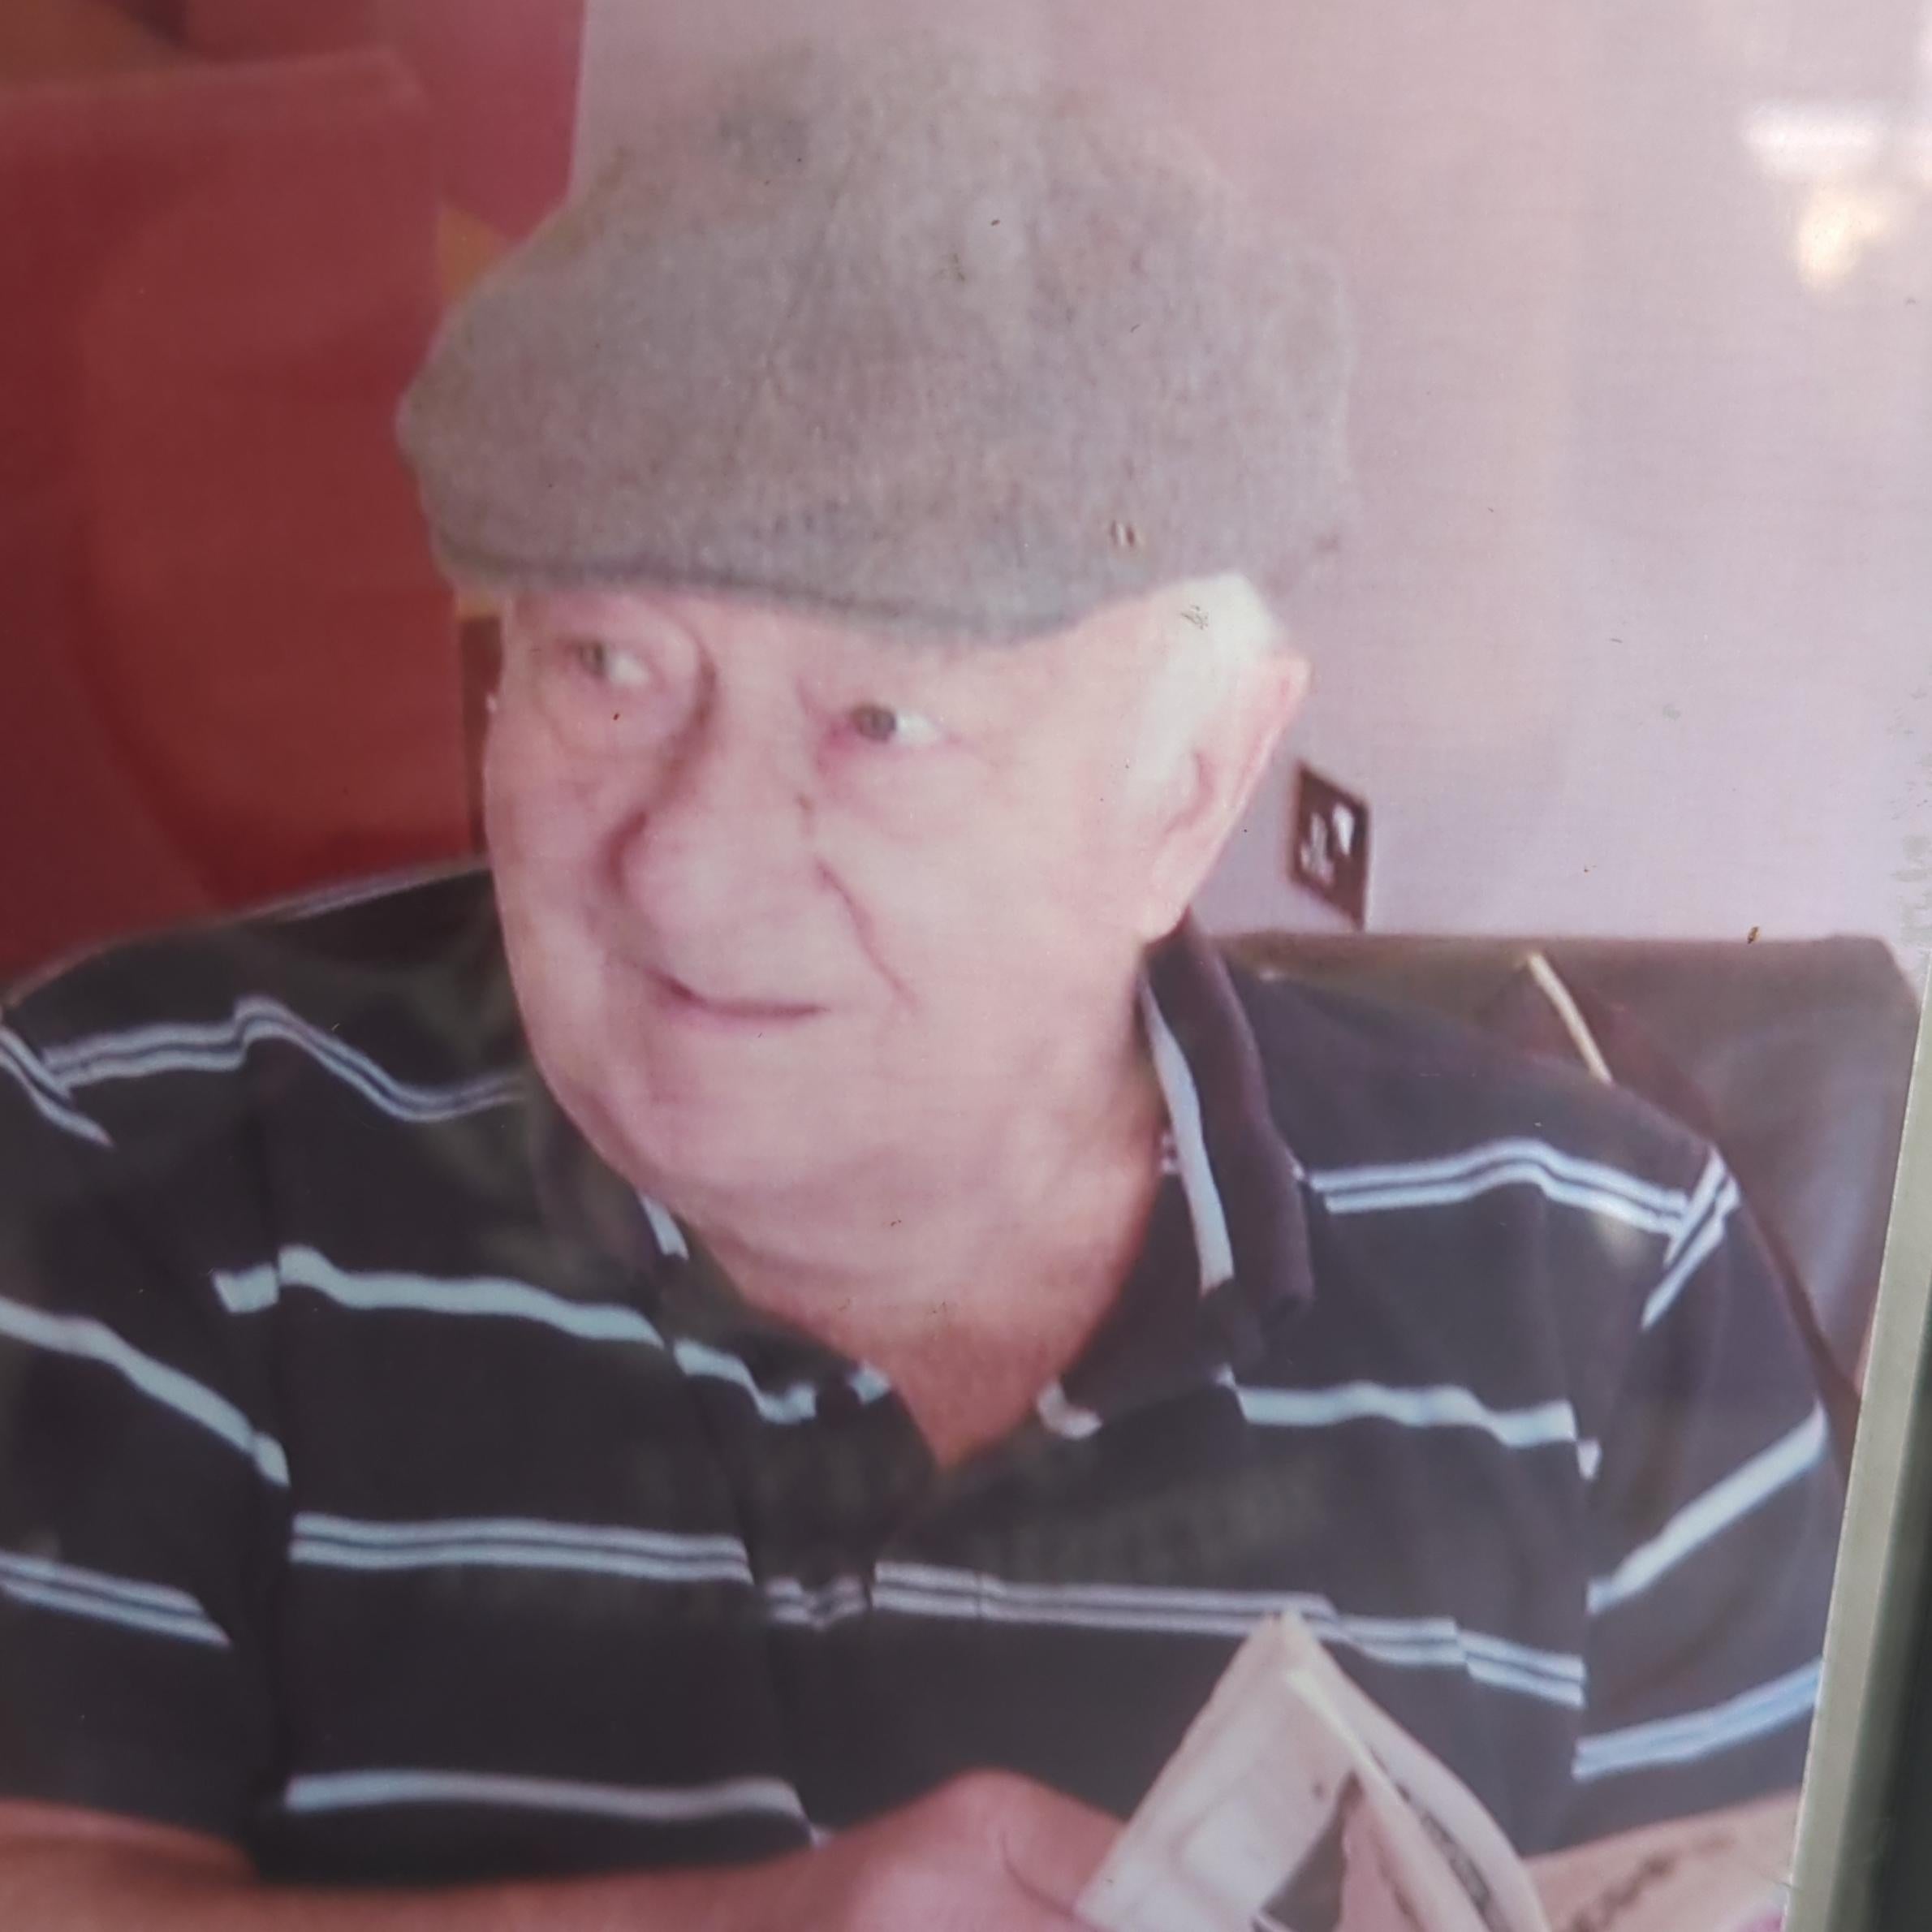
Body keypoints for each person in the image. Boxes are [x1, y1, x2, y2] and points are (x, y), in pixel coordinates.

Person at [0, 37, 1841, 1929]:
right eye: (606, 669)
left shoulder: (1600, 1278)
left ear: (1188, 781)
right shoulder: (135, 1140)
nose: (683, 861)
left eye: (881, 717)